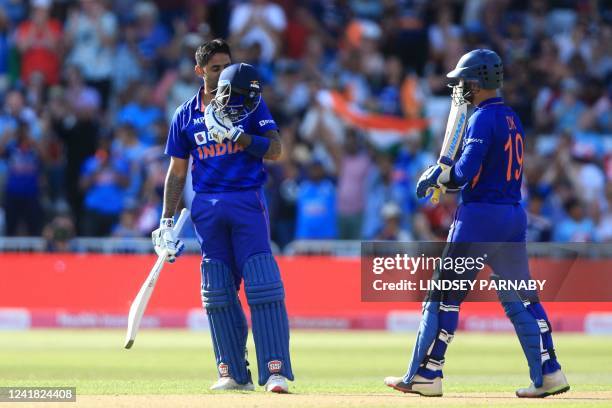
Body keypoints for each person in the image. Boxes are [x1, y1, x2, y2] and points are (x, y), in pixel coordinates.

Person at [384, 49, 570, 398]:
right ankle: (549, 372)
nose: (461, 89)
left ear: (479, 80)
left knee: (443, 296)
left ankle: (427, 373)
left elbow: (463, 174)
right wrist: (445, 176)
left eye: (464, 82)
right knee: (523, 297)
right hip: (513, 216)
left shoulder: (481, 118)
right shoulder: (512, 117)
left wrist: (438, 176)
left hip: (480, 217)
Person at [151, 39, 293, 393]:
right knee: (217, 292)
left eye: (226, 67)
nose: (223, 74)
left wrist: (240, 137)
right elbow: (177, 173)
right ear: (200, 71)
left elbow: (276, 150)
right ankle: (232, 372)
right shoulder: (185, 115)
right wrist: (165, 221)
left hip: (246, 200)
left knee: (262, 285)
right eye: (215, 69)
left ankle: (275, 370)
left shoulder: (250, 104)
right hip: (206, 207)